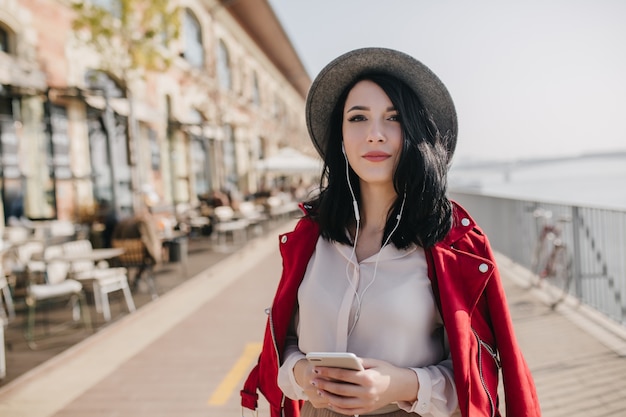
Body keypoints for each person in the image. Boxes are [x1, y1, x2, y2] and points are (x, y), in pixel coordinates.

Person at [241, 48, 540, 417]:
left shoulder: (453, 245)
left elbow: (475, 374)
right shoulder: (310, 237)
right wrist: (302, 374)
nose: (375, 135)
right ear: (341, 136)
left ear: (416, 131)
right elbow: (283, 342)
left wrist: (402, 384)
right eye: (358, 118)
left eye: (393, 118)